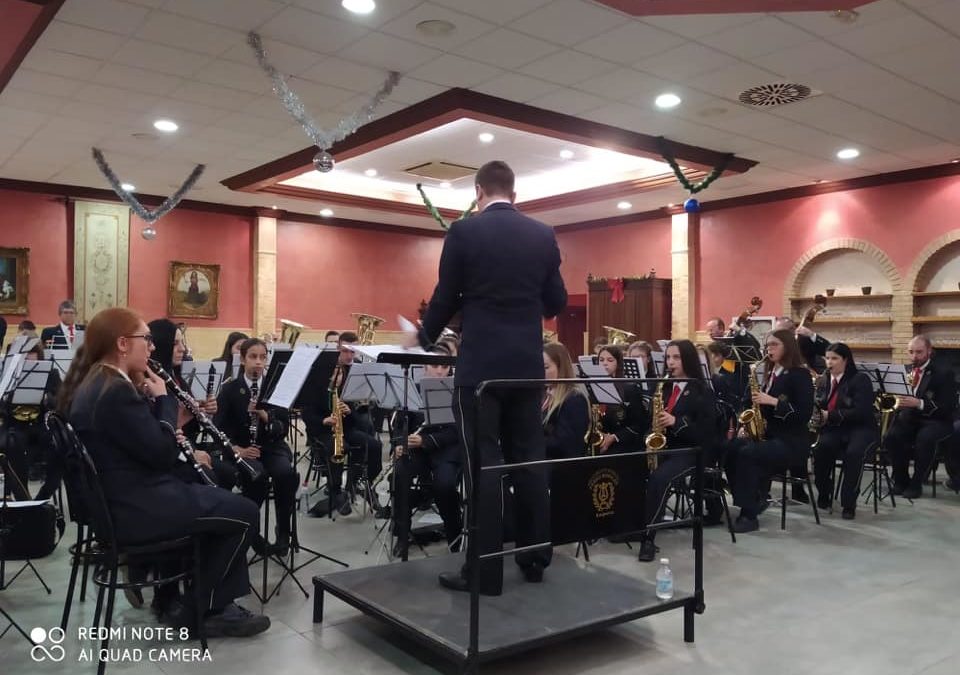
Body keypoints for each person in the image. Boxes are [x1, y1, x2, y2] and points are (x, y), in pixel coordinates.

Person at [60, 307, 268, 636]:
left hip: (123, 499)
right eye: (146, 339)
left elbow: (145, 447)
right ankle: (201, 610)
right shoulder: (115, 391)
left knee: (212, 490)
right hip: (137, 507)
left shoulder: (99, 384)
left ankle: (176, 598)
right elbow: (160, 453)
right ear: (123, 344)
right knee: (244, 512)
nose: (152, 346)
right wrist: (163, 402)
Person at [414, 160, 567, 596]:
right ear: (514, 193)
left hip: (480, 368)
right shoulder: (543, 235)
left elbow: (445, 296)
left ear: (478, 191)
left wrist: (425, 338)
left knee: (484, 465)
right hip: (526, 368)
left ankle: (485, 573)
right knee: (529, 461)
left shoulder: (463, 232)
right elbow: (555, 302)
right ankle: (535, 558)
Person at [214, 338, 298, 555]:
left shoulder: (275, 388)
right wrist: (236, 449)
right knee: (256, 477)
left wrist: (266, 417)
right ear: (242, 359)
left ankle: (283, 532)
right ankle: (252, 531)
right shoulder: (230, 389)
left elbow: (283, 428)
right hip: (242, 449)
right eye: (253, 357)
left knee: (286, 474)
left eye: (262, 357)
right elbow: (217, 429)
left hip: (271, 447)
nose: (258, 363)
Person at [726, 329, 814, 533]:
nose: (769, 349)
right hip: (770, 436)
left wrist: (773, 401)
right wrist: (744, 425)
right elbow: (751, 403)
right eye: (767, 345)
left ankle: (749, 514)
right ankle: (751, 499)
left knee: (748, 454)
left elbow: (803, 414)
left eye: (774, 345)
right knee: (731, 448)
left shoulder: (800, 375)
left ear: (788, 347)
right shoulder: (769, 373)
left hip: (792, 441)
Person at [637, 340, 716, 561]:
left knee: (659, 478)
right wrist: (648, 435)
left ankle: (648, 538)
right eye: (668, 358)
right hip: (665, 446)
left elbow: (705, 433)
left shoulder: (702, 391)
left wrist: (675, 421)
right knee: (630, 466)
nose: (670, 363)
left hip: (691, 450)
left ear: (688, 360)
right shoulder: (663, 387)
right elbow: (650, 423)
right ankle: (633, 523)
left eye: (676, 358)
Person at [304, 331, 388, 519]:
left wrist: (350, 411)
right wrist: (324, 420)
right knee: (338, 449)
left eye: (340, 373)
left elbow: (356, 421)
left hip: (345, 429)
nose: (338, 375)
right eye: (335, 372)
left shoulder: (351, 380)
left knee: (374, 445)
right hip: (323, 430)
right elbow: (306, 413)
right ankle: (336, 492)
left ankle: (360, 482)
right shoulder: (316, 381)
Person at [390, 343, 462, 559]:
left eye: (444, 366)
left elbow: (457, 432)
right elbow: (398, 425)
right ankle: (402, 535)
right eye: (434, 366)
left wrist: (425, 440)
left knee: (446, 484)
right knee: (400, 473)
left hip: (448, 451)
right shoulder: (411, 390)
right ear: (424, 367)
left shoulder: (457, 391)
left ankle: (455, 537)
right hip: (418, 451)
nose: (440, 371)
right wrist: (400, 443)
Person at [148, 319, 235, 491]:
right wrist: (181, 421)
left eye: (182, 343)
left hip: (188, 444)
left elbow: (191, 421)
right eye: (175, 344)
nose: (183, 349)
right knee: (217, 477)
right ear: (161, 345)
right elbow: (160, 432)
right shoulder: (152, 382)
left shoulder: (177, 376)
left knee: (229, 474)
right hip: (171, 454)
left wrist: (204, 410)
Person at [884, 335, 957, 499]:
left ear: (929, 351)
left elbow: (947, 407)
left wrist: (919, 403)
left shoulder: (944, 374)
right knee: (892, 437)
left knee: (925, 439)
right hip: (911, 418)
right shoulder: (906, 370)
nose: (914, 356)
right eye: (911, 352)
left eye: (919, 352)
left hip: (937, 420)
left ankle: (916, 483)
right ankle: (901, 480)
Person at [810, 343, 877, 519]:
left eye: (834, 358)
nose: (829, 362)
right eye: (827, 358)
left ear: (846, 360)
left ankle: (849, 504)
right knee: (820, 449)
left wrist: (829, 415)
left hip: (861, 428)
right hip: (836, 428)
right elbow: (820, 404)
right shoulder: (824, 379)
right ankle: (824, 493)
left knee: (854, 454)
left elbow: (861, 412)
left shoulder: (860, 379)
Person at [595, 344, 650, 454]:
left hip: (623, 443)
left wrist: (614, 437)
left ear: (618, 363)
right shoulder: (595, 387)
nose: (604, 363)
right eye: (601, 360)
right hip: (602, 438)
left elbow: (639, 425)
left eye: (610, 360)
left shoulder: (630, 389)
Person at [543, 342, 590, 460]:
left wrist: (529, 442)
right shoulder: (543, 395)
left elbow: (566, 445)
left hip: (560, 469)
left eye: (546, 367)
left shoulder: (574, 400)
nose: (540, 372)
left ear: (561, 367)